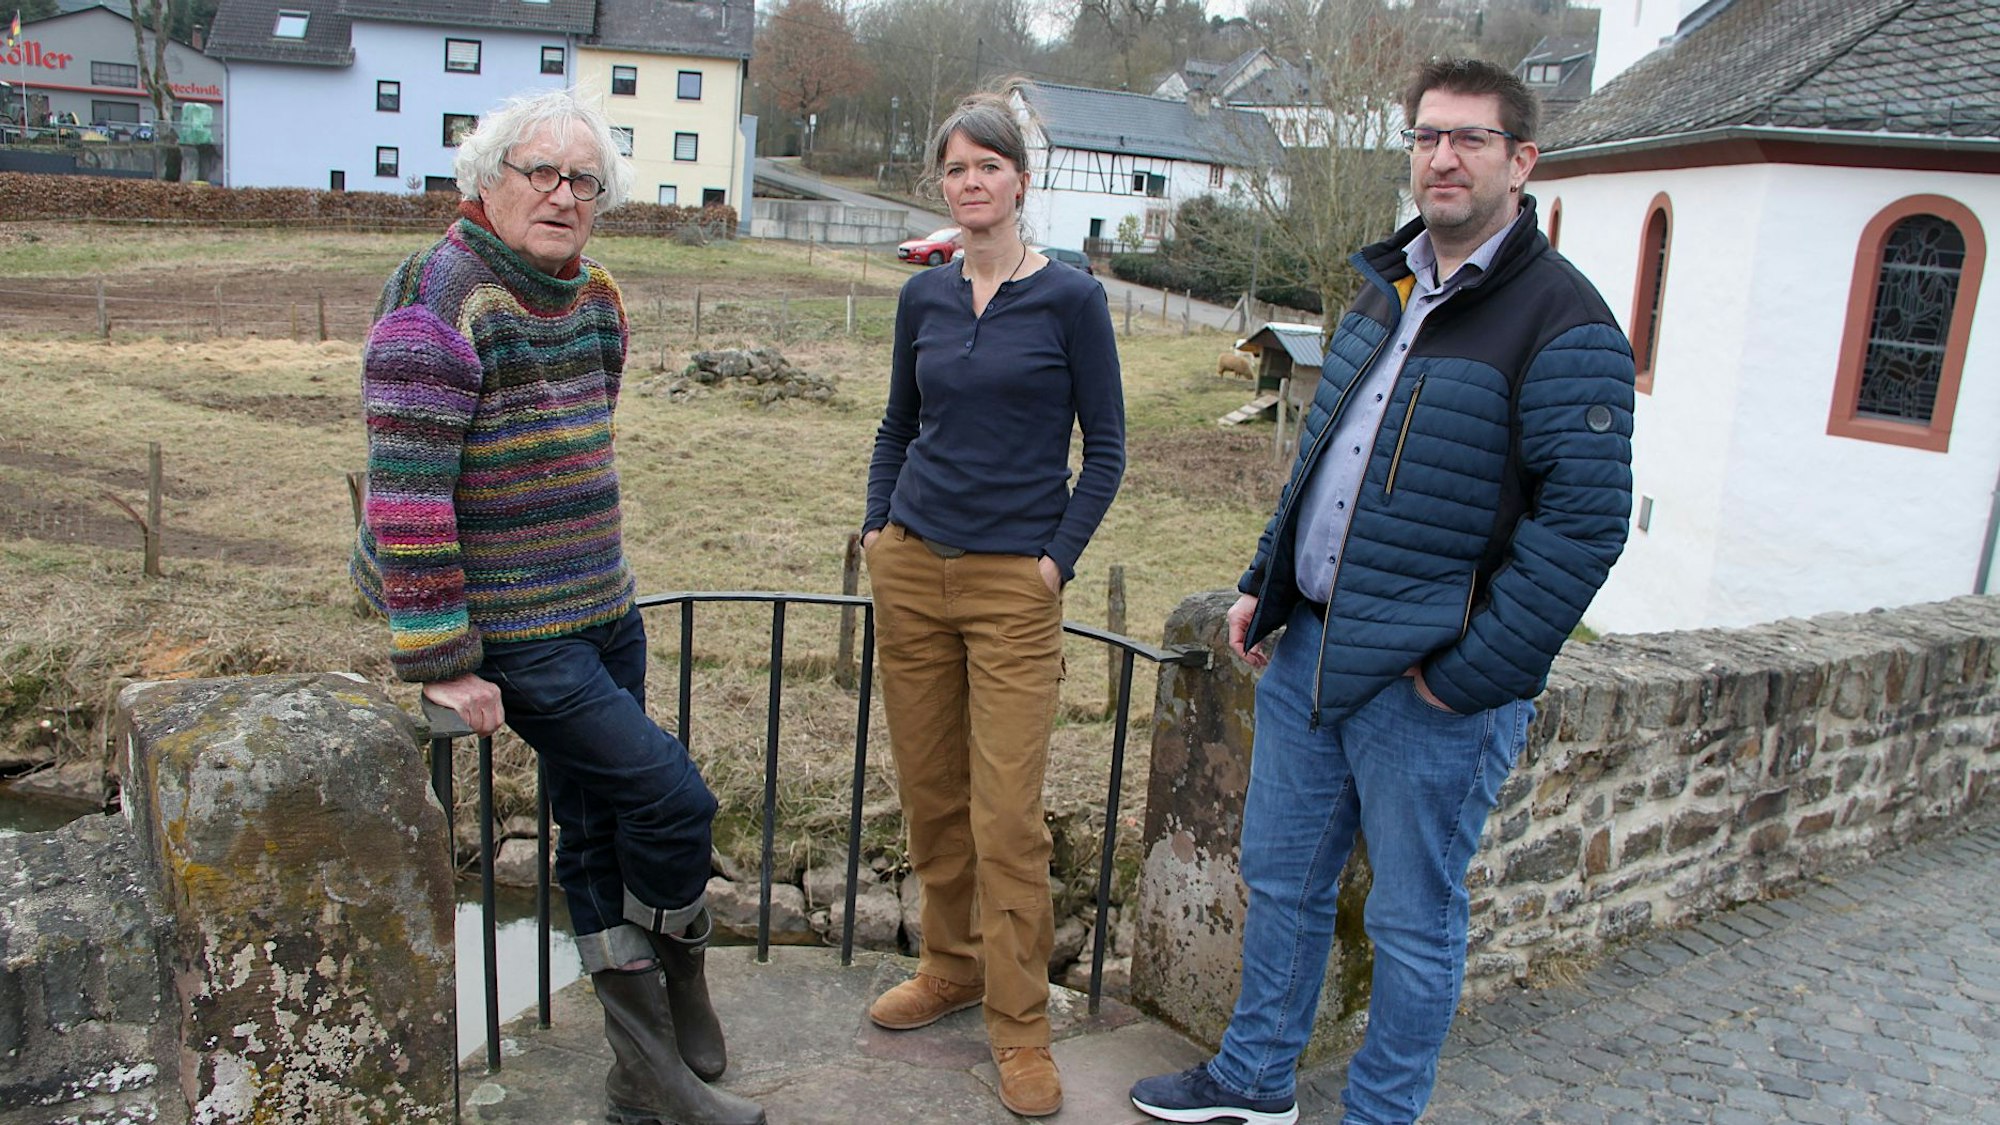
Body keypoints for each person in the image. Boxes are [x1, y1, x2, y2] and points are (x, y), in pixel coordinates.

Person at [1131, 58, 1634, 1125]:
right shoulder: (1385, 284)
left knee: (1412, 922)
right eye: (1426, 136)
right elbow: (1324, 454)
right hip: (1312, 650)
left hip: (1429, 682)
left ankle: (1380, 1114)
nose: (1442, 157)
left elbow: (1583, 528)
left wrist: (1468, 676)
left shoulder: (1563, 321)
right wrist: (1264, 583)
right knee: (1282, 881)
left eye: (1469, 138)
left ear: (1520, 160)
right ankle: (1254, 1078)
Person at [350, 87, 763, 1125]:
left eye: (584, 180)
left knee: (592, 830)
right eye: (541, 172)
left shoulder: (597, 296)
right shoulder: (438, 301)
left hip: (603, 606)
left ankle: (644, 1072)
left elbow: (582, 439)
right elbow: (406, 496)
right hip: (522, 632)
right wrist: (443, 657)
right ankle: (673, 996)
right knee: (673, 801)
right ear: (486, 181)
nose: (563, 195)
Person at [860, 85, 1126, 1119]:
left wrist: (1053, 563)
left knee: (1006, 814)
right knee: (931, 793)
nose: (970, 183)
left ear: (1021, 179)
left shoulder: (1071, 300)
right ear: (943, 184)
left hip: (1014, 585)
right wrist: (878, 528)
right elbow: (897, 423)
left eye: (988, 166)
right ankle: (951, 965)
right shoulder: (922, 297)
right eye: (956, 169)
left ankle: (1020, 1028)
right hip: (912, 569)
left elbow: (1106, 451)